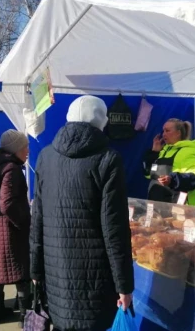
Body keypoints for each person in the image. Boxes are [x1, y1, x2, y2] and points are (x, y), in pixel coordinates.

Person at [30, 95, 134, 331]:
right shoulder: (108, 159)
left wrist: (35, 271)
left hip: (56, 276)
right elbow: (114, 228)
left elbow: (37, 219)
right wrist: (124, 286)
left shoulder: (46, 156)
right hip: (95, 280)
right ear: (102, 120)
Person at [0, 130, 31, 326]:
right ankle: (25, 316)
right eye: (24, 147)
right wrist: (21, 220)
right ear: (16, 149)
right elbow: (7, 203)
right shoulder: (12, 169)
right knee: (20, 272)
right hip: (10, 226)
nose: (27, 150)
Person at [143, 118, 195, 206]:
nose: (163, 134)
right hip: (156, 207)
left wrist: (172, 179)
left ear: (178, 133)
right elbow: (148, 174)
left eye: (167, 131)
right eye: (163, 131)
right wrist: (154, 152)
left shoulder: (188, 151)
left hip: (178, 209)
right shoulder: (164, 151)